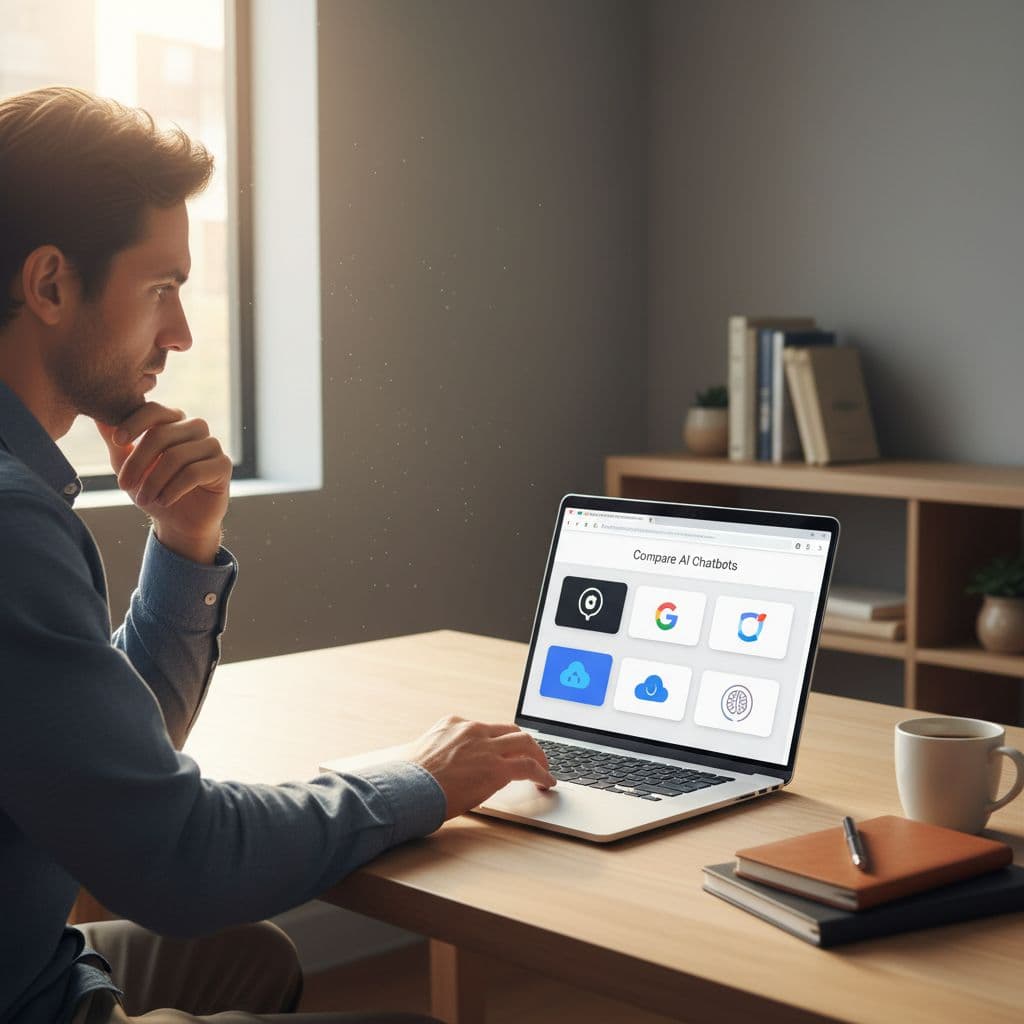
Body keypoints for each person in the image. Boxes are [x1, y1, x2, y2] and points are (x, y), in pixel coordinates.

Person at [0, 86, 555, 1024]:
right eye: (161, 288)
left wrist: (184, 542)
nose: (178, 334)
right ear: (50, 284)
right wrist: (422, 778)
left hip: (33, 958)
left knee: (245, 958)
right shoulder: (11, 526)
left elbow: (113, 765)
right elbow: (181, 860)